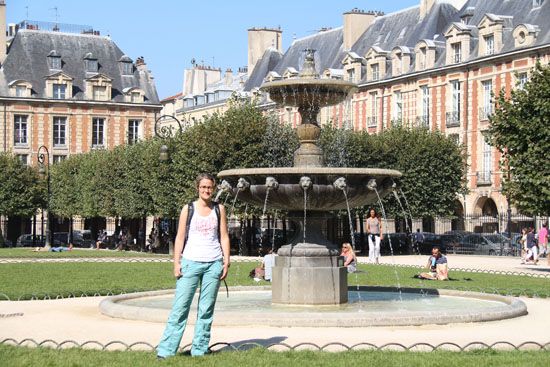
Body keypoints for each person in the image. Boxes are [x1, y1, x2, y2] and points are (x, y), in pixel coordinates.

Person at [156, 173, 230, 360]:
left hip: (214, 263)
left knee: (206, 310)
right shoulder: (188, 209)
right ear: (198, 188)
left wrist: (226, 260)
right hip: (190, 262)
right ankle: (166, 351)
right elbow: (180, 237)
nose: (206, 190)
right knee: (180, 308)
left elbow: (224, 236)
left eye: (210, 187)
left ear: (213, 189)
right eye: (203, 187)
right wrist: (176, 263)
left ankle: (200, 349)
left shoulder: (219, 209)